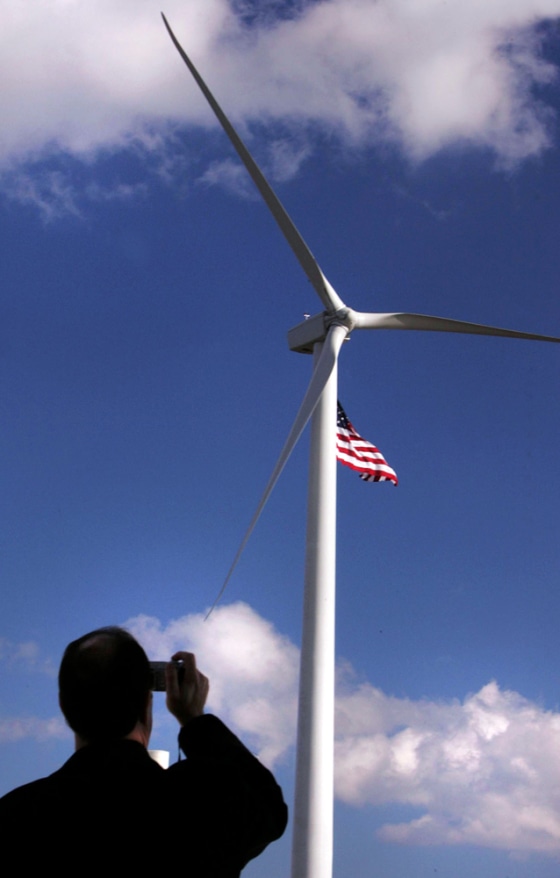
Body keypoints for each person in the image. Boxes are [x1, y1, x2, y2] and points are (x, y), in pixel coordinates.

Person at [0, 626, 287, 875]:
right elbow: (270, 809)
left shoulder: (17, 817)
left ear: (63, 705)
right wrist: (194, 720)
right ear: (147, 703)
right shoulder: (203, 803)